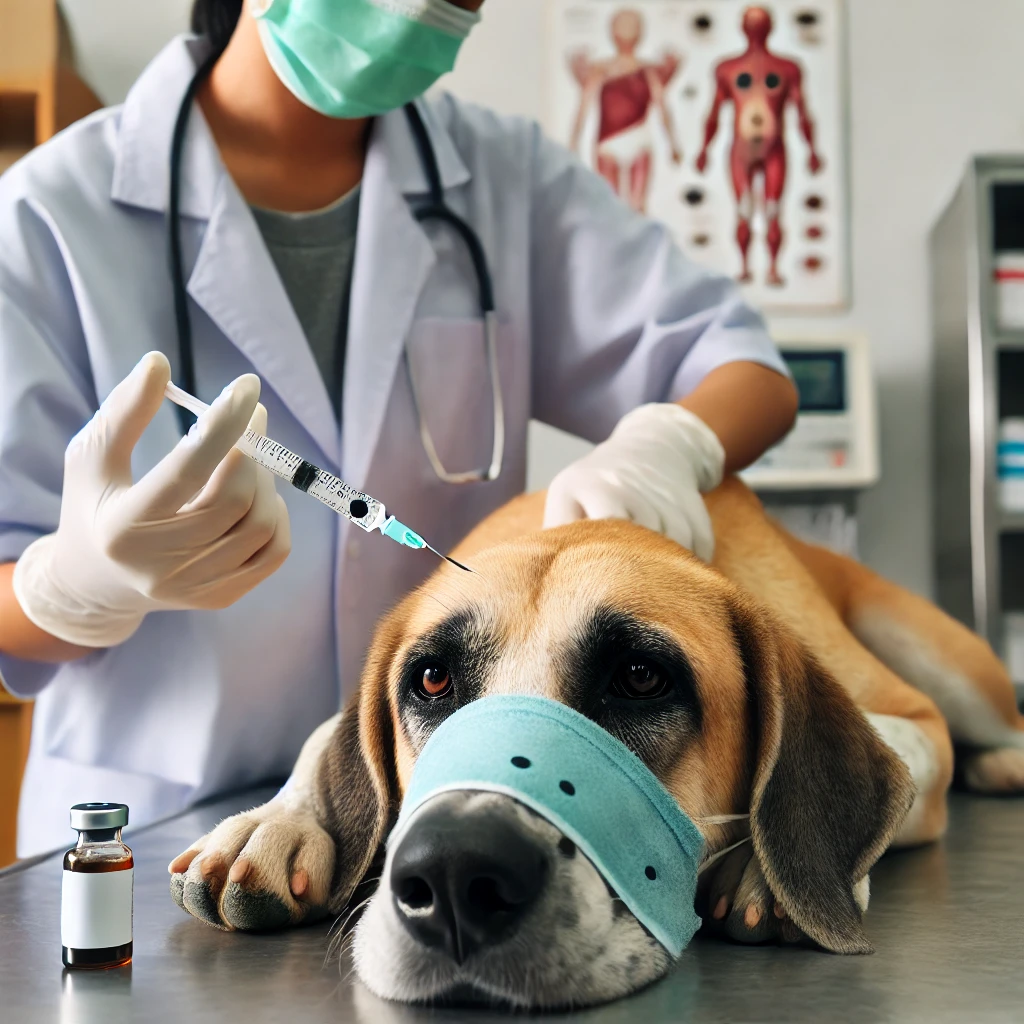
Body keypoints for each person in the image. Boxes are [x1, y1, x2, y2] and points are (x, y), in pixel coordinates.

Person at [0, 0, 797, 856]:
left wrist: (667, 449)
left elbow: (748, 369)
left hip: (448, 815)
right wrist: (76, 585)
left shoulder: (503, 179)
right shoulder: (46, 215)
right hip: (149, 832)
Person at [695, 6, 823, 286]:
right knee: (744, 209)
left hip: (773, 148)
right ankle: (745, 267)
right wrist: (703, 149)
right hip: (741, 151)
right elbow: (714, 113)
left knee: (773, 209)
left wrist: (812, 150)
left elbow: (803, 112)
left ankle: (772, 268)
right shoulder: (727, 69)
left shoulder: (788, 69)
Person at [568, 8, 682, 213]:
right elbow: (583, 108)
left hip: (631, 141)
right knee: (614, 207)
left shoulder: (644, 70)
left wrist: (673, 143)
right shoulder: (602, 71)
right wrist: (573, 142)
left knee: (634, 208)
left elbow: (663, 107)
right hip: (611, 144)